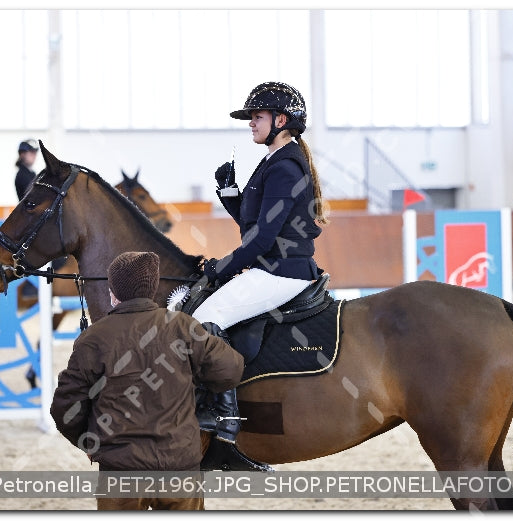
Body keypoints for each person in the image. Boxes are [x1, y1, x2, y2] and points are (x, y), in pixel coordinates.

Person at [50, 251, 244, 511]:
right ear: (152, 289)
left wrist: (88, 440)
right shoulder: (183, 327)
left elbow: (64, 407)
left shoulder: (93, 339)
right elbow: (231, 369)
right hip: (179, 467)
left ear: (112, 292)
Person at [192, 81, 328, 444]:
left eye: (257, 116)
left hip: (282, 271)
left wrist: (222, 266)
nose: (251, 123)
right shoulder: (274, 161)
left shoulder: (284, 167)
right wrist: (229, 194)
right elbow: (255, 227)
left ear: (280, 119)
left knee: (203, 319)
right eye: (251, 117)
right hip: (272, 267)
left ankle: (224, 416)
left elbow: (263, 240)